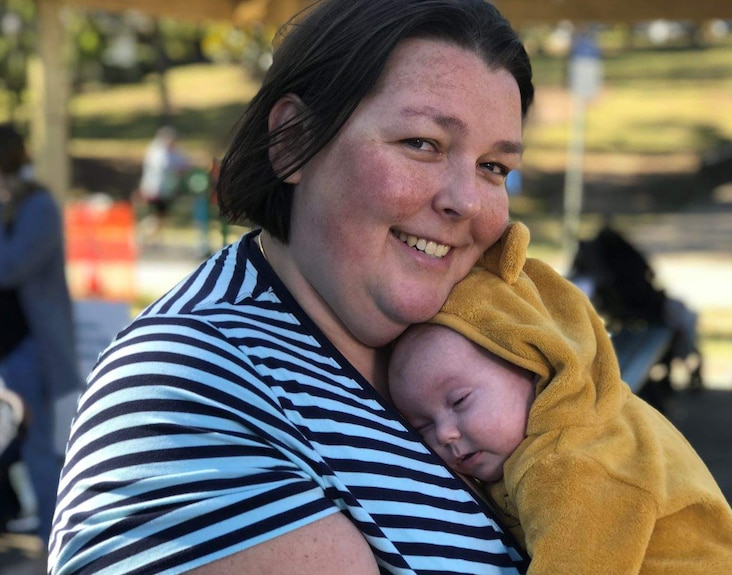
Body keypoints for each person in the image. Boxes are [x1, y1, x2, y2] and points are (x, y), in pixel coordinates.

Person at [49, 1, 534, 573]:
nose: (467, 200)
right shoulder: (188, 388)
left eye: (493, 167)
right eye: (422, 143)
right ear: (292, 140)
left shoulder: (475, 340)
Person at [389, 221, 732, 574]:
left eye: (460, 402)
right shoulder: (590, 409)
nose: (445, 434)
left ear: (531, 365)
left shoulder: (573, 464)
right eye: (422, 426)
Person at [0, 123, 83, 545]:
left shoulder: (37, 205)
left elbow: (12, 265)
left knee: (41, 448)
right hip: (12, 346)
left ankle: (57, 541)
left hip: (32, 348)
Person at [137, 125, 189, 241]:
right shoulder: (156, 151)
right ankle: (142, 233)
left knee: (162, 217)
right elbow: (164, 166)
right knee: (156, 215)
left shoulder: (176, 151)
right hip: (154, 189)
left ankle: (150, 236)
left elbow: (184, 165)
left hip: (168, 189)